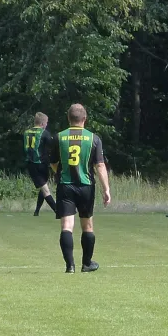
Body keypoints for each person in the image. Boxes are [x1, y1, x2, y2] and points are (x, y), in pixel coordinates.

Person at [49, 104, 111, 274]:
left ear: (68, 118)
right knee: (87, 225)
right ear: (85, 119)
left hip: (65, 185)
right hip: (86, 187)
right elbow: (99, 165)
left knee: (67, 226)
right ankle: (86, 263)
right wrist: (106, 189)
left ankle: (70, 266)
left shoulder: (59, 137)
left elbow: (53, 163)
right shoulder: (94, 138)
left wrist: (61, 172)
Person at [23, 112, 57, 216]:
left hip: (31, 164)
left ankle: (37, 211)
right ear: (42, 123)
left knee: (44, 187)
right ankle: (58, 211)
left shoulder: (26, 132)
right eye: (46, 122)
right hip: (41, 164)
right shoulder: (44, 133)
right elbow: (52, 146)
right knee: (45, 189)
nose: (46, 125)